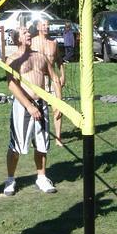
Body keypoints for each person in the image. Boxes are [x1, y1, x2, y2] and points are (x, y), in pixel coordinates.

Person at [4, 27, 61, 197]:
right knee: (17, 145)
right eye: (24, 33)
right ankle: (10, 179)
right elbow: (11, 84)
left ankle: (41, 177)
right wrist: (28, 106)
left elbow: (55, 78)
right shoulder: (12, 59)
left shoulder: (40, 56)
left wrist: (58, 104)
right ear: (17, 39)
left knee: (42, 143)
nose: (29, 34)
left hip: (42, 104)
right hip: (23, 106)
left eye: (28, 32)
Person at [31, 19, 65, 147]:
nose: (47, 27)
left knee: (58, 107)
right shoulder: (32, 42)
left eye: (48, 25)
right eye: (44, 25)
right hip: (37, 78)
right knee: (37, 107)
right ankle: (35, 136)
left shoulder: (53, 43)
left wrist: (63, 75)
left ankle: (58, 138)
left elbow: (59, 61)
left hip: (52, 78)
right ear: (38, 26)